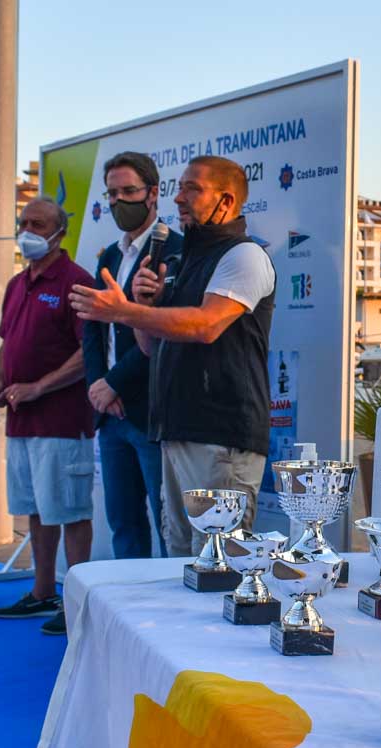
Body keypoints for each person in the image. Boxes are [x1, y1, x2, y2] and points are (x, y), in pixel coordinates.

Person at [68, 155, 275, 555]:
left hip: (221, 436)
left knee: (217, 566)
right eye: (179, 188)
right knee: (178, 561)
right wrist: (148, 307)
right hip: (176, 430)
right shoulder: (182, 261)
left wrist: (125, 310)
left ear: (226, 201)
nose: (178, 198)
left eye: (192, 189)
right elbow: (150, 347)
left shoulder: (244, 256)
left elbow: (205, 325)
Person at [0, 198, 99, 635]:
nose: (27, 230)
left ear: (59, 233)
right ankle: (42, 589)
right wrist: (0, 382)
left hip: (63, 421)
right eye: (23, 222)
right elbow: (5, 344)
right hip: (20, 422)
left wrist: (39, 386)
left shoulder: (76, 281)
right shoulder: (17, 284)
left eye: (38, 224)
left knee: (70, 511)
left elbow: (87, 354)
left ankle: (78, 602)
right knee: (36, 509)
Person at [82, 152, 182, 559]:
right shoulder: (109, 254)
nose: (119, 201)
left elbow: (162, 333)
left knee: (167, 527)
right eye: (112, 193)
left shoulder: (175, 252)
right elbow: (92, 326)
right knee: (123, 523)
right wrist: (97, 387)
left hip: (151, 413)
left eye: (128, 191)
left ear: (153, 193)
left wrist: (114, 383)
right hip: (111, 415)